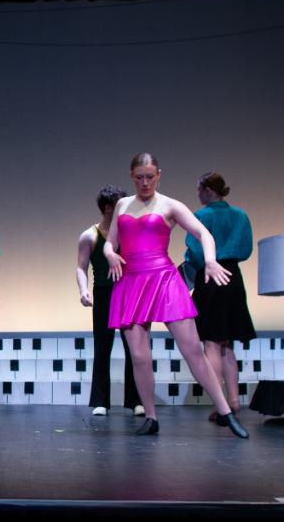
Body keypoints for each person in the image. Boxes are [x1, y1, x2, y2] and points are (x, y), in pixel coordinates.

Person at [104, 153, 248, 438]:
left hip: (164, 280)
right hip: (131, 282)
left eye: (150, 177)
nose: (145, 182)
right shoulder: (122, 205)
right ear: (132, 176)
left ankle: (226, 412)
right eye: (139, 177)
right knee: (139, 356)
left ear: (158, 175)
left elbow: (204, 234)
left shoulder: (170, 205)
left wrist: (210, 260)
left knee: (193, 349)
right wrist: (110, 254)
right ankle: (151, 416)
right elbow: (110, 242)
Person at [184, 172, 256, 423]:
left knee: (211, 343)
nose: (198, 194)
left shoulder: (201, 216)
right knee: (226, 344)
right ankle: (234, 401)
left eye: (199, 189)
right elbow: (246, 248)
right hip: (233, 277)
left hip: (210, 275)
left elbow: (195, 252)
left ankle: (221, 405)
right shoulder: (241, 215)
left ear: (207, 189)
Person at [76, 186, 144, 417]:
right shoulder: (90, 235)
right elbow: (81, 267)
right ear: (107, 208)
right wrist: (83, 290)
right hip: (105, 293)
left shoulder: (130, 232)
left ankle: (135, 400)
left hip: (129, 293)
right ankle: (100, 400)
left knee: (134, 348)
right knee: (102, 346)